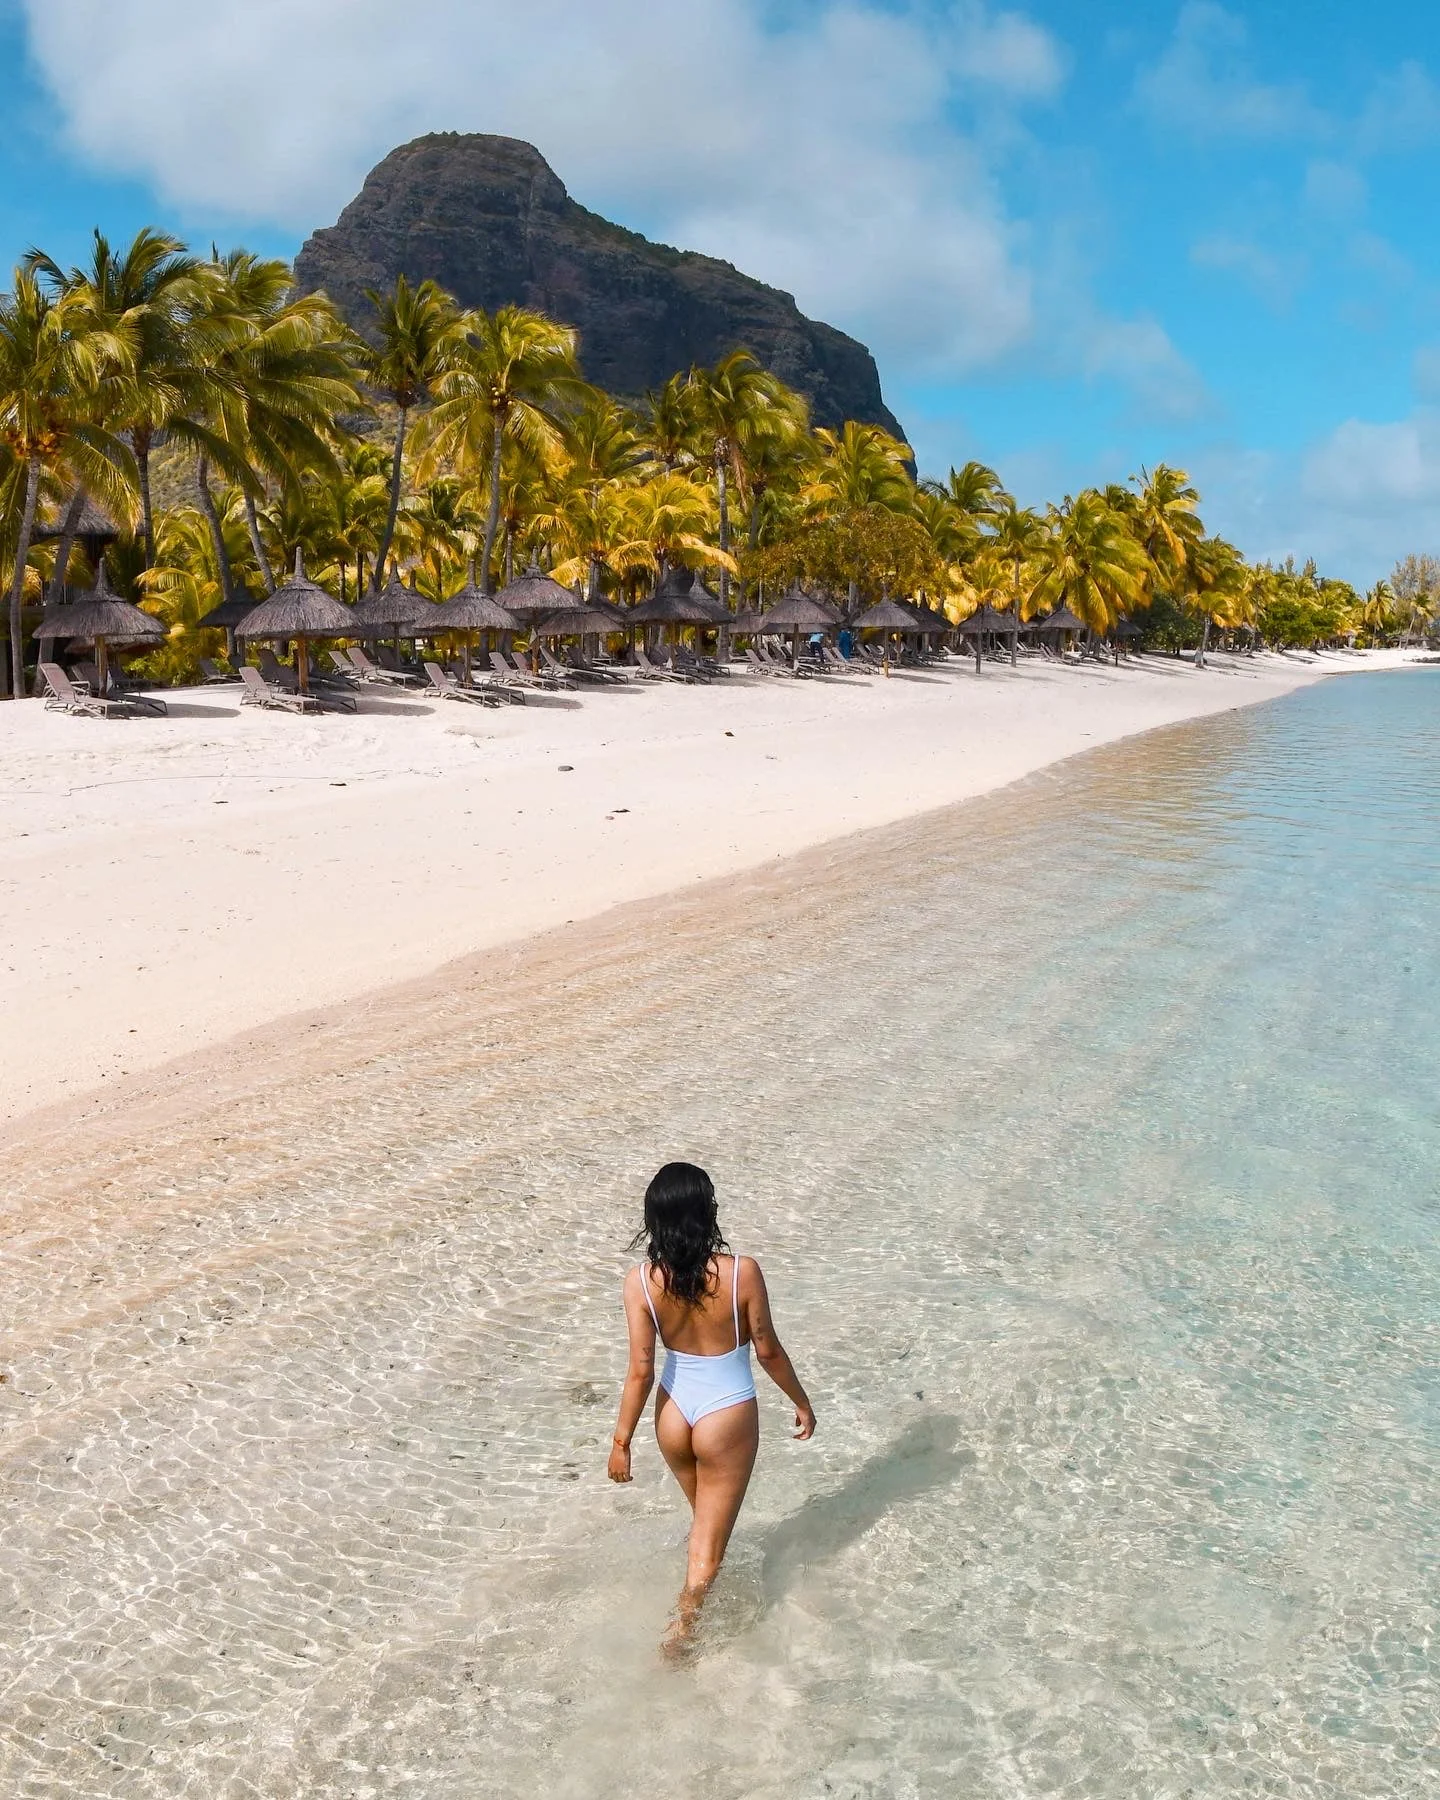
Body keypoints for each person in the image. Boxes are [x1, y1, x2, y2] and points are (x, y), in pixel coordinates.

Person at [608, 1162, 816, 1650]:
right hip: (726, 1413)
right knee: (708, 1545)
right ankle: (681, 1635)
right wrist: (802, 1402)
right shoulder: (742, 1272)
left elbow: (640, 1371)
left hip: (673, 1412)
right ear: (707, 1210)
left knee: (705, 1522)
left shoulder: (639, 1282)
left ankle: (710, 1590)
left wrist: (621, 1442)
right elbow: (766, 1350)